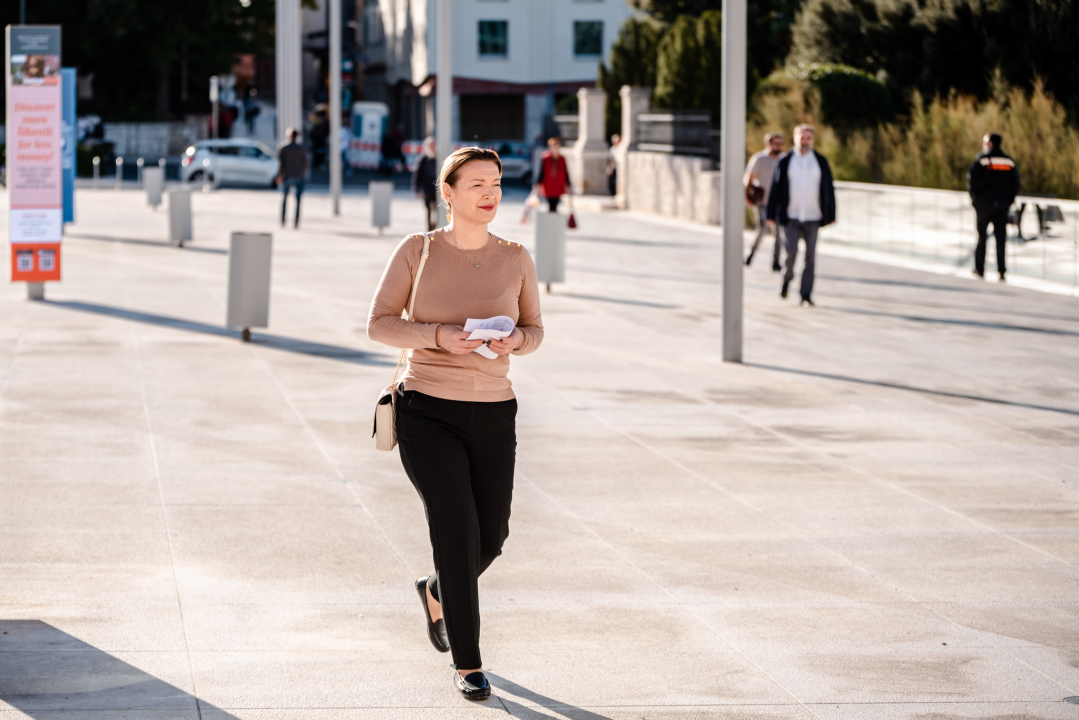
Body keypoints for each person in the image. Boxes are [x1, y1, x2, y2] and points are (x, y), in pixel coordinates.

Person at [367, 146, 544, 702]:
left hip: (495, 407)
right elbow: (379, 325)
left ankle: (436, 589)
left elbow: (535, 329)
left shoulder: (516, 256)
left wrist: (514, 340)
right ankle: (468, 664)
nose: (490, 193)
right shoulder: (418, 250)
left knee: (490, 538)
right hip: (427, 409)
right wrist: (440, 336)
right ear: (448, 193)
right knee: (454, 530)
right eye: (477, 185)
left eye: (496, 183)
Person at [766, 124, 836, 306]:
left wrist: (831, 213)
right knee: (791, 253)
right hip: (790, 215)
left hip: (813, 215)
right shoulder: (786, 160)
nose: (805, 141)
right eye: (802, 137)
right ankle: (786, 280)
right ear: (795, 138)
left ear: (812, 140)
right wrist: (771, 213)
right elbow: (775, 188)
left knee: (810, 258)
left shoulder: (820, 161)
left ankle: (805, 295)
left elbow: (828, 188)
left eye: (808, 138)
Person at [967, 132, 1020, 282]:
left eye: (985, 142)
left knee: (982, 239)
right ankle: (1001, 271)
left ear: (990, 143)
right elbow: (1015, 184)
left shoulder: (982, 160)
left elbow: (971, 182)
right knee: (1001, 240)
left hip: (983, 208)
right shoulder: (1008, 161)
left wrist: (975, 202)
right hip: (1001, 207)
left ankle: (980, 269)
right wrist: (1008, 202)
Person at [744, 132, 785, 270]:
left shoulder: (783, 160)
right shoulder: (759, 159)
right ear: (768, 143)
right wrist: (747, 197)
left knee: (779, 232)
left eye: (780, 143)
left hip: (778, 203)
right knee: (762, 228)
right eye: (775, 143)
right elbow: (749, 179)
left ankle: (775, 262)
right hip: (762, 201)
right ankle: (750, 254)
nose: (778, 146)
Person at [277, 128, 308, 228]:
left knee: (285, 199)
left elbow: (281, 163)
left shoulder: (284, 147)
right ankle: (296, 222)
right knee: (298, 200)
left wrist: (279, 175)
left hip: (287, 175)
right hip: (298, 175)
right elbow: (305, 162)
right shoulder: (301, 148)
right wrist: (303, 174)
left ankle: (283, 220)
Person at [533, 137, 573, 212]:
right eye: (555, 147)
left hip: (558, 184)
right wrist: (536, 184)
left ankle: (553, 220)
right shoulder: (545, 158)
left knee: (555, 204)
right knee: (551, 204)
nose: (556, 149)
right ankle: (551, 220)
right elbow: (541, 172)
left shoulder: (562, 158)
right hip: (548, 185)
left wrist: (568, 185)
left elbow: (566, 172)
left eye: (558, 147)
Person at [412, 136, 439, 231]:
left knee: (438, 210)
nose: (433, 147)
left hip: (438, 190)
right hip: (427, 190)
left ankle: (435, 227)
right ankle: (429, 229)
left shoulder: (439, 158)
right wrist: (417, 190)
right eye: (431, 145)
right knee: (428, 210)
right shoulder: (423, 159)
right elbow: (417, 175)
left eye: (434, 145)